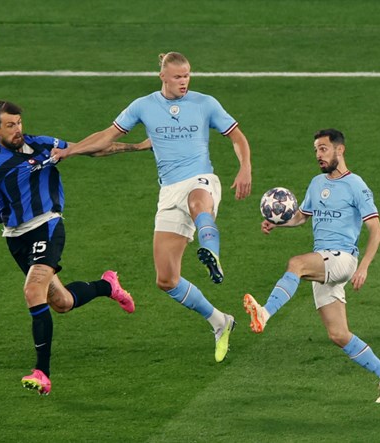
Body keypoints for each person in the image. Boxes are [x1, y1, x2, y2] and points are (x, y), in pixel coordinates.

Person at [52, 52, 250, 362]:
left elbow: (236, 135)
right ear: (163, 77)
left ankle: (212, 252)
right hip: (169, 192)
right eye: (178, 76)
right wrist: (71, 151)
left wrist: (245, 167)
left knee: (199, 201)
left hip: (201, 178)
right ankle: (220, 321)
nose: (184, 81)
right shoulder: (143, 105)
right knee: (166, 279)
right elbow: (107, 135)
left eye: (187, 75)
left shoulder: (205, 103)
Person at [0, 100, 141, 395]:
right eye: (10, 125)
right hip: (15, 236)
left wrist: (140, 147)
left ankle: (42, 373)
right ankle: (107, 286)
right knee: (62, 302)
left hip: (47, 225)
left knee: (33, 290)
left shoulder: (44, 145)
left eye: (19, 122)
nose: (18, 129)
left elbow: (92, 149)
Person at [243, 129, 380, 403]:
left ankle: (265, 313)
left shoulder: (356, 185)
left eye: (323, 149)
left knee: (296, 263)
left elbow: (376, 230)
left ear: (339, 150)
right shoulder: (317, 183)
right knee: (338, 334)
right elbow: (301, 218)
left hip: (343, 258)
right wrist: (279, 222)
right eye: (316, 150)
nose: (318, 155)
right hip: (324, 262)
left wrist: (363, 267)